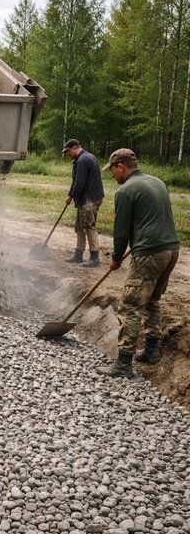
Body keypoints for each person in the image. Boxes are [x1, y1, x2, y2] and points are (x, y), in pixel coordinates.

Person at [96, 148, 179, 378]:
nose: (112, 175)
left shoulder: (125, 191)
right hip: (171, 250)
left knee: (130, 305)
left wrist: (115, 258)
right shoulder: (157, 182)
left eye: (112, 170)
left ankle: (123, 363)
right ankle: (152, 350)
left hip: (149, 254)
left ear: (121, 167)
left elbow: (121, 231)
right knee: (152, 299)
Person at [61, 139, 105, 267]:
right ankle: (78, 255)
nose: (67, 154)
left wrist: (71, 196)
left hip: (89, 199)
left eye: (68, 151)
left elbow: (79, 183)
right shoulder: (87, 157)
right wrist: (70, 195)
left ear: (74, 148)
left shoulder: (82, 160)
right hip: (86, 198)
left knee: (88, 227)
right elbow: (76, 181)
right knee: (80, 227)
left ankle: (94, 258)